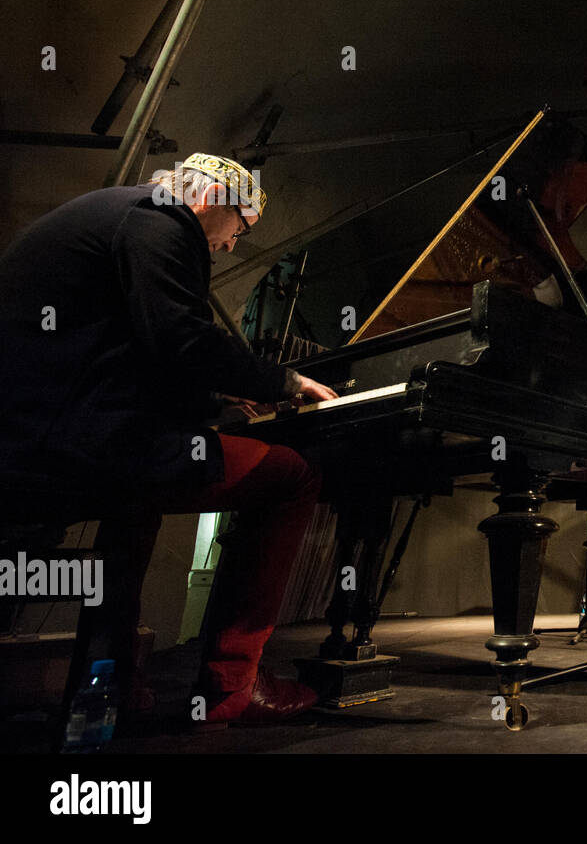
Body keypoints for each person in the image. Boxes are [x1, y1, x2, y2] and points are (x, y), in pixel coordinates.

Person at [0, 153, 338, 728]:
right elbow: (182, 339)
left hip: (40, 427)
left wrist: (214, 404)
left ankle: (111, 681)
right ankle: (236, 685)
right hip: (70, 441)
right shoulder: (162, 221)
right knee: (289, 477)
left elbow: (132, 359)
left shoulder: (120, 212)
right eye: (241, 228)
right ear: (214, 200)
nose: (233, 245)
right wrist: (286, 382)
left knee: (145, 494)